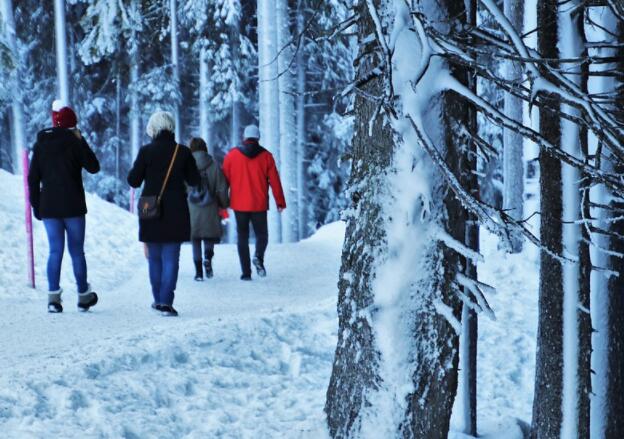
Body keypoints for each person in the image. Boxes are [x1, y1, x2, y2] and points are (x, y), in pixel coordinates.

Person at [28, 99, 100, 313]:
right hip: (73, 206)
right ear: (73, 126)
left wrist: (36, 206)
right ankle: (83, 296)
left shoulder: (40, 143)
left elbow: (33, 178)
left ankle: (53, 299)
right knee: (77, 252)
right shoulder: (75, 142)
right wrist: (82, 140)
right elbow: (93, 167)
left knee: (55, 251)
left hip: (49, 206)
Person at [127, 111, 200, 316]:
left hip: (149, 205)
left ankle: (157, 298)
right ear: (171, 127)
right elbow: (194, 181)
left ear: (153, 128)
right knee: (171, 257)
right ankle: (166, 302)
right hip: (176, 207)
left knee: (154, 257)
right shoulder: (183, 152)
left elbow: (133, 180)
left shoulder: (146, 151)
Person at [222, 124, 286, 281]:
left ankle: (246, 273)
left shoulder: (232, 156)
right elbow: (275, 181)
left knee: (242, 237)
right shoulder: (266, 156)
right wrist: (280, 201)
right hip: (259, 204)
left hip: (239, 204)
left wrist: (222, 203)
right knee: (262, 235)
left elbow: (223, 182)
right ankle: (258, 257)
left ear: (244, 137)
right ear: (258, 137)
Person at [187, 137, 229, 281]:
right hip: (210, 207)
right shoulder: (214, 166)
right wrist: (224, 204)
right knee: (209, 236)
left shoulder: (185, 165)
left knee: (196, 239)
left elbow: (182, 188)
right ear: (205, 148)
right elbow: (222, 188)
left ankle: (198, 273)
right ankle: (208, 258)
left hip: (192, 209)